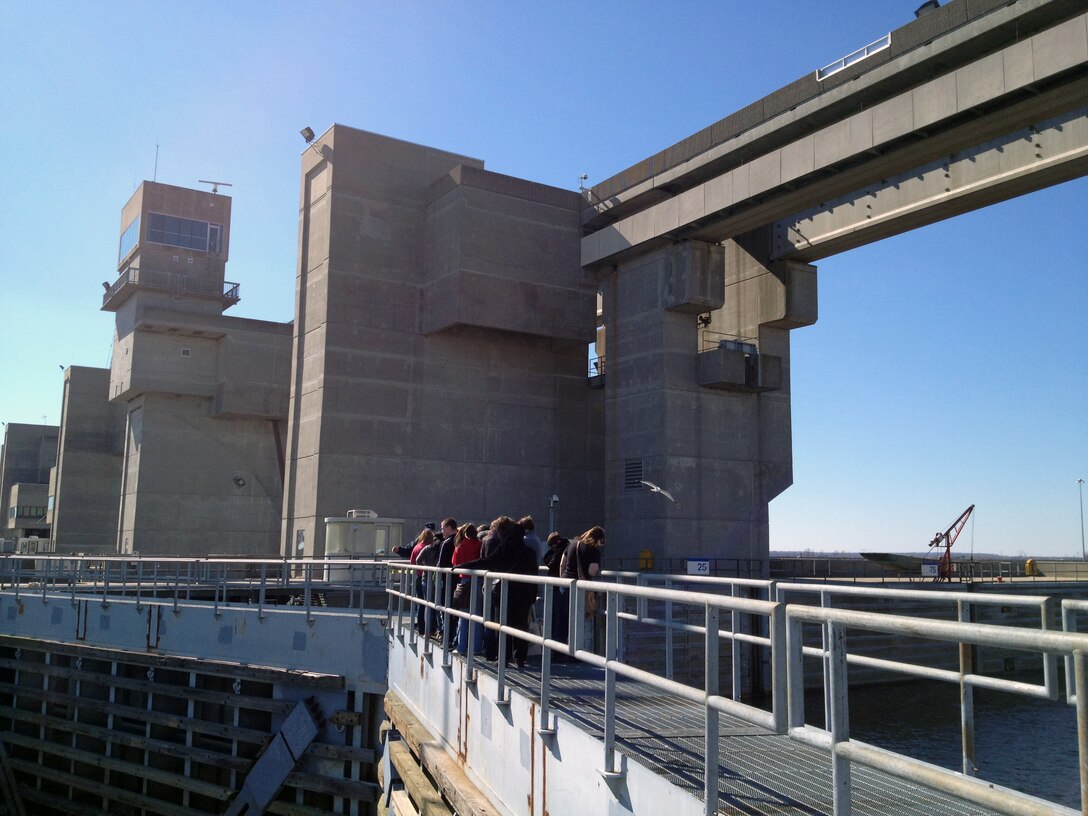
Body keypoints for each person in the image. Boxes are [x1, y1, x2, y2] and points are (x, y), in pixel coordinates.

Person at [458, 516, 538, 667]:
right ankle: (520, 658)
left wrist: (464, 565)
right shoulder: (528, 550)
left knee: (503, 626)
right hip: (525, 593)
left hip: (508, 593)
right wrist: (533, 595)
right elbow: (533, 574)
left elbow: (488, 562)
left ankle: (504, 658)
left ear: (501, 531)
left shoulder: (506, 547)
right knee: (521, 626)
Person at [559, 526, 605, 652]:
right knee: (579, 620)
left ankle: (559, 650)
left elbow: (562, 564)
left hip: (565, 584)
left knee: (564, 619)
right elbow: (592, 570)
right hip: (581, 588)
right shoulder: (594, 551)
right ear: (598, 540)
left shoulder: (572, 545)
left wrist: (562, 580)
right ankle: (576, 652)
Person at [451, 523, 483, 655]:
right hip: (480, 581)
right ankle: (476, 647)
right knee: (478, 616)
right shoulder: (479, 544)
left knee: (464, 616)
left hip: (465, 581)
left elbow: (454, 562)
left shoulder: (461, 544)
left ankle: (461, 647)